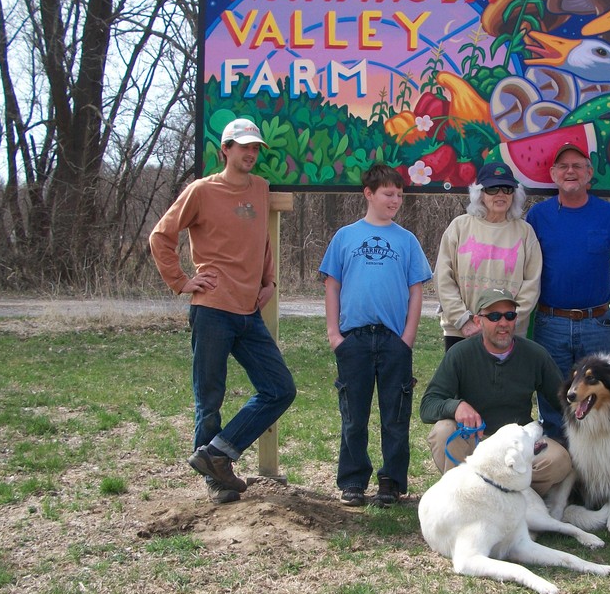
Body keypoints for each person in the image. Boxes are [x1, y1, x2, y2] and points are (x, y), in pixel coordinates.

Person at [149, 117, 297, 505]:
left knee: (280, 388)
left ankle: (216, 453)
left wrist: (268, 282)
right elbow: (161, 236)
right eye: (243, 146)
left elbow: (262, 241)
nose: (250, 153)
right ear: (225, 150)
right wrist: (181, 281)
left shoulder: (260, 188)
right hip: (212, 309)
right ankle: (216, 481)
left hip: (248, 312)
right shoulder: (201, 191)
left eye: (255, 148)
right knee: (209, 398)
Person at [319, 163, 432, 508]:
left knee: (395, 418)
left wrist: (407, 338)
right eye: (388, 193)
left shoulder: (407, 240)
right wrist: (334, 334)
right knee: (353, 417)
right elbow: (332, 286)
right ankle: (353, 480)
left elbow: (416, 291)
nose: (395, 200)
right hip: (353, 339)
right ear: (368, 194)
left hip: (393, 341)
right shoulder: (345, 237)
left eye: (399, 194)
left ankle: (391, 482)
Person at [526, 143, 610, 442]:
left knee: (600, 404)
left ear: (589, 173)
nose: (570, 171)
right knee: (553, 403)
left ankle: (593, 469)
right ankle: (557, 466)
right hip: (551, 323)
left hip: (596, 323)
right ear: (553, 174)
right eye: (563, 166)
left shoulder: (609, 215)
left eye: (577, 166)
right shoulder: (538, 216)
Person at [419, 287, 573, 497]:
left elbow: (563, 402)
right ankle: (461, 496)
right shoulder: (460, 354)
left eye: (509, 316)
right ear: (478, 321)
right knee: (443, 430)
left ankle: (516, 498)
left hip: (518, 442)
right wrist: (456, 406)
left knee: (559, 460)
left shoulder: (535, 355)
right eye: (494, 316)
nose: (503, 323)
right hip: (475, 441)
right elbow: (428, 404)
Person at [434, 162, 541, 350]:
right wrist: (463, 320)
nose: (500, 194)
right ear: (480, 194)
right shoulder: (459, 226)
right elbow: (443, 278)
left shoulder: (525, 232)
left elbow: (532, 284)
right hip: (461, 331)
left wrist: (506, 322)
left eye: (507, 189)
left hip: (508, 332)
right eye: (492, 189)